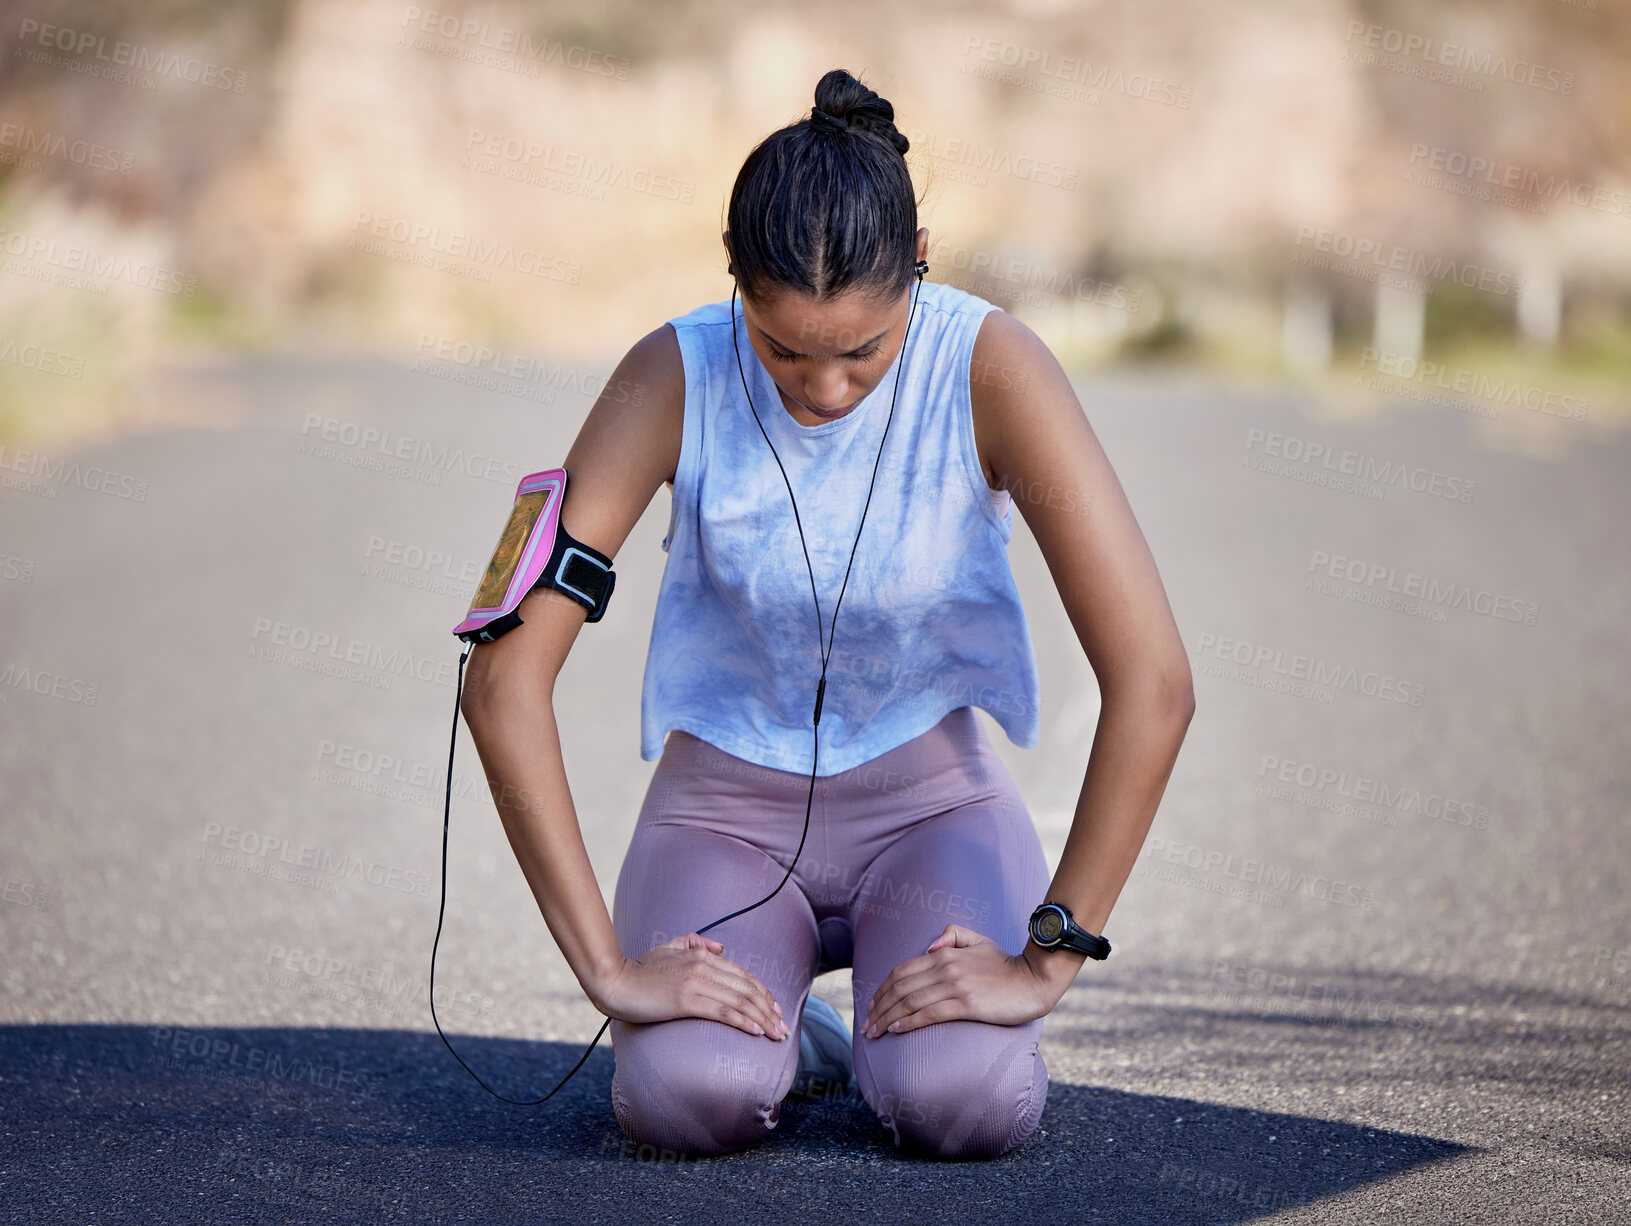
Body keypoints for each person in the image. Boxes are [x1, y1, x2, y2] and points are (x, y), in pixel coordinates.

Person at [458, 67, 1194, 1160]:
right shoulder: (672, 372)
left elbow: (1153, 683)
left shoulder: (990, 367)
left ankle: (878, 1041)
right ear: (734, 286)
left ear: (920, 264)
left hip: (930, 808)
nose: (824, 391)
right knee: (684, 1097)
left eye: (861, 351)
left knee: (961, 1100)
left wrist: (1047, 955)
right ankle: (798, 1034)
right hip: (724, 815)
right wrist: (605, 970)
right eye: (783, 349)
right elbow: (504, 678)